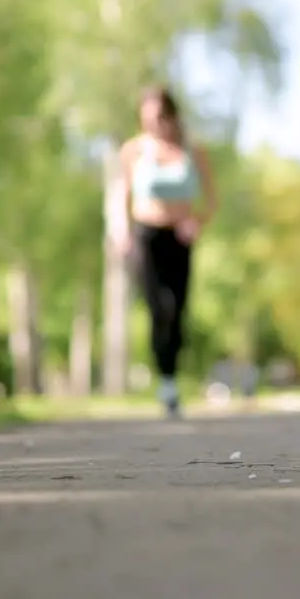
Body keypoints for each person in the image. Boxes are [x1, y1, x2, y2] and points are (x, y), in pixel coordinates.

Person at [115, 85, 217, 418]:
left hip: (180, 238)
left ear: (172, 116)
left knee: (177, 309)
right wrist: (122, 233)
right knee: (158, 308)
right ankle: (166, 383)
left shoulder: (192, 150)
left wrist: (197, 222)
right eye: (146, 120)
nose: (154, 125)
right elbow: (122, 196)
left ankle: (171, 378)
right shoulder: (133, 150)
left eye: (159, 118)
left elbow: (212, 199)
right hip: (146, 236)